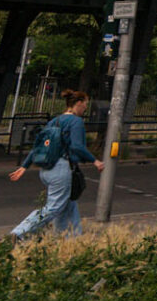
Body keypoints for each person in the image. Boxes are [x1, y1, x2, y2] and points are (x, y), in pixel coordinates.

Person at [8, 89, 103, 239]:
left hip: (46, 169)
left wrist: (24, 166)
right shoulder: (76, 122)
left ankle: (72, 239)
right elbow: (77, 146)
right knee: (54, 207)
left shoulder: (54, 121)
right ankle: (19, 232)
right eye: (85, 105)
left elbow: (39, 146)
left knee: (69, 205)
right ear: (78, 103)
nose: (86, 108)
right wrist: (95, 160)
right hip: (61, 168)